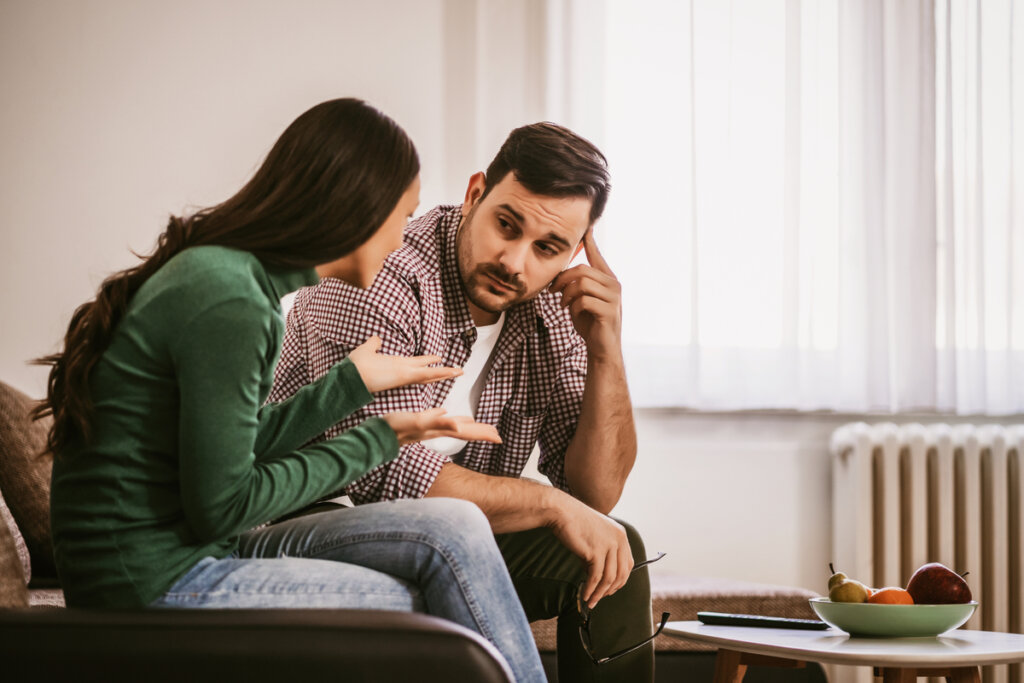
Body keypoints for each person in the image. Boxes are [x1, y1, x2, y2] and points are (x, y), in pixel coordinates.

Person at [34, 98, 547, 683]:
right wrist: (376, 439)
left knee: (456, 526)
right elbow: (223, 507)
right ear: (357, 206)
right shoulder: (229, 298)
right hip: (148, 585)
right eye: (402, 216)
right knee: (421, 606)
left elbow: (238, 449)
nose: (402, 238)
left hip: (190, 551)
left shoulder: (238, 282)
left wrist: (348, 386)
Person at [270, 122, 659, 682]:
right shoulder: (387, 271)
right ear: (476, 193)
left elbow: (594, 495)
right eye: (507, 225)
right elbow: (386, 475)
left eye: (547, 248)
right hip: (312, 516)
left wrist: (606, 351)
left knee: (617, 550)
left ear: (574, 251)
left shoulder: (554, 310)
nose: (515, 262)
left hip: (454, 535)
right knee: (454, 529)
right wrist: (548, 504)